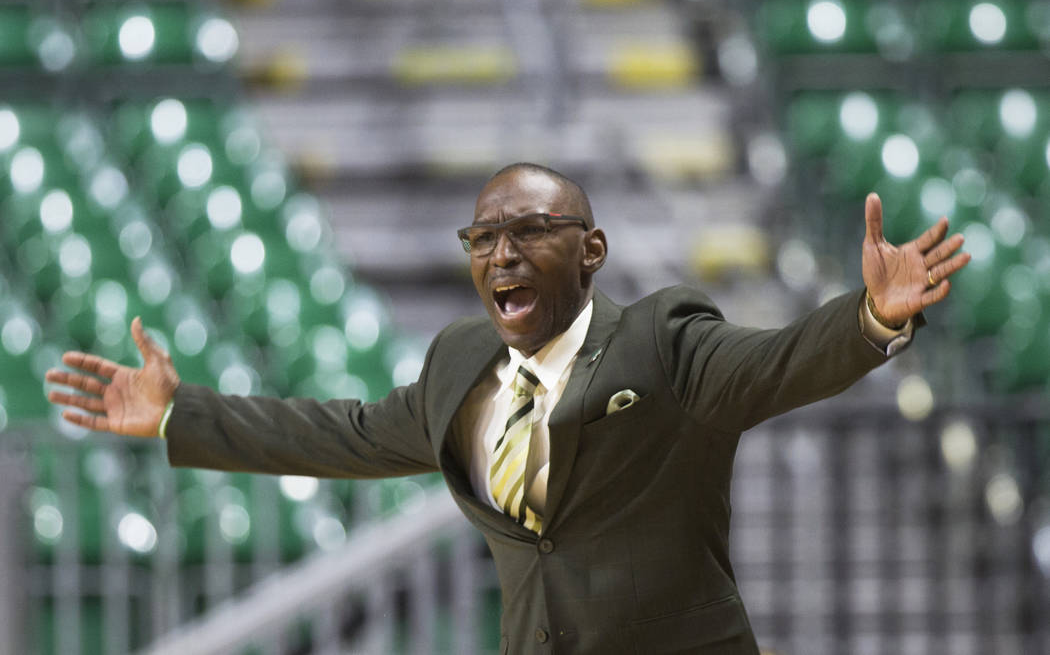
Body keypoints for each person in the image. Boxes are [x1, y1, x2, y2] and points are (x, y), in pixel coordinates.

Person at [46, 163, 970, 654]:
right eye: (484, 236)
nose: (502, 252)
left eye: (531, 229)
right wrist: (180, 414)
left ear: (593, 248)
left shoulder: (664, 336)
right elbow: (348, 433)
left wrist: (870, 317)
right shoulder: (460, 362)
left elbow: (774, 365)